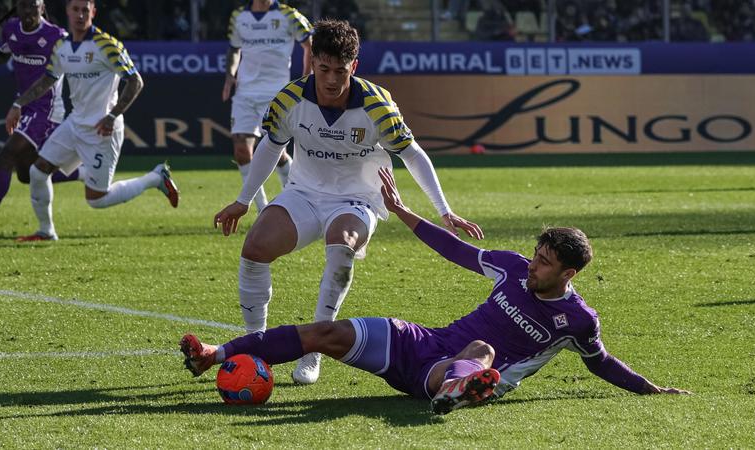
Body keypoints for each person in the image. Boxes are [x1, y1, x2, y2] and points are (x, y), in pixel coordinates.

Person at [182, 167, 690, 414]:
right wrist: (403, 212)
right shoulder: (512, 269)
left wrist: (650, 389)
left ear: (569, 275)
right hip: (425, 343)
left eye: (545, 263)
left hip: (456, 370)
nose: (534, 266)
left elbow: (601, 363)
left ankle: (461, 389)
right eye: (537, 255)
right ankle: (215, 354)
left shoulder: (577, 321)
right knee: (325, 333)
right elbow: (455, 250)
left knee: (482, 349)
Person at [212, 19, 483, 385]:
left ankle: (314, 348)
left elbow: (413, 154)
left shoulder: (377, 104)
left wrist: (444, 210)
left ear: (353, 66)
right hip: (303, 194)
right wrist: (243, 200)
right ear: (312, 63)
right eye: (323, 68)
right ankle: (254, 347)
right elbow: (272, 146)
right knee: (254, 247)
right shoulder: (289, 99)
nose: (331, 79)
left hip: (359, 199)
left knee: (342, 243)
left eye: (340, 70)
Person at [4, 0, 179, 242]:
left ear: (93, 12)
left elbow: (135, 81)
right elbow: (47, 80)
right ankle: (46, 231)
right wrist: (18, 105)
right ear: (67, 11)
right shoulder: (62, 46)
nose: (80, 15)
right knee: (38, 171)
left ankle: (156, 177)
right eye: (75, 9)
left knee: (96, 200)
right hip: (75, 124)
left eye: (85, 10)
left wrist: (112, 115)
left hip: (102, 130)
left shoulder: (107, 45)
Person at [0, 0, 86, 240]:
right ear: (17, 8)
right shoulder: (11, 28)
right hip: (25, 106)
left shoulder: (56, 36)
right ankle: (83, 173)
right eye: (24, 6)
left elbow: (76, 65)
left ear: (42, 7)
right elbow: (1, 56)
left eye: (33, 6)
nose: (29, 11)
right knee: (27, 174)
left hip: (47, 110)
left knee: (5, 158)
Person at [222, 0, 313, 212]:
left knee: (276, 152)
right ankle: (262, 210)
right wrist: (230, 75)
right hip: (245, 93)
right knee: (241, 151)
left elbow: (310, 45)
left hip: (276, 94)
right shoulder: (239, 16)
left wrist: (305, 80)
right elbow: (234, 49)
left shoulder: (289, 15)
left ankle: (298, 199)